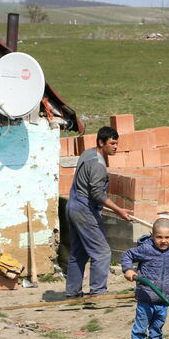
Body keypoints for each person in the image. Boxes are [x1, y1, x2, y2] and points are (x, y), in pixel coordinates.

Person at [66, 126, 132, 297]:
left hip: (72, 206)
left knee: (78, 253)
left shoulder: (88, 154)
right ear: (101, 142)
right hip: (84, 210)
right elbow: (96, 193)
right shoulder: (98, 165)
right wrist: (119, 210)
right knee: (102, 253)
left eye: (117, 143)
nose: (115, 147)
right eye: (112, 143)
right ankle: (97, 294)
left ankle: (72, 293)